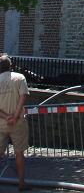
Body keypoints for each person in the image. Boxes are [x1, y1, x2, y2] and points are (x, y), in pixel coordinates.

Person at [0, 54, 29, 191]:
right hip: (18, 123)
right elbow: (23, 98)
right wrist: (15, 117)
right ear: (10, 66)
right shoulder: (20, 78)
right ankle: (21, 183)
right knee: (19, 153)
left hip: (1, 122)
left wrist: (6, 117)